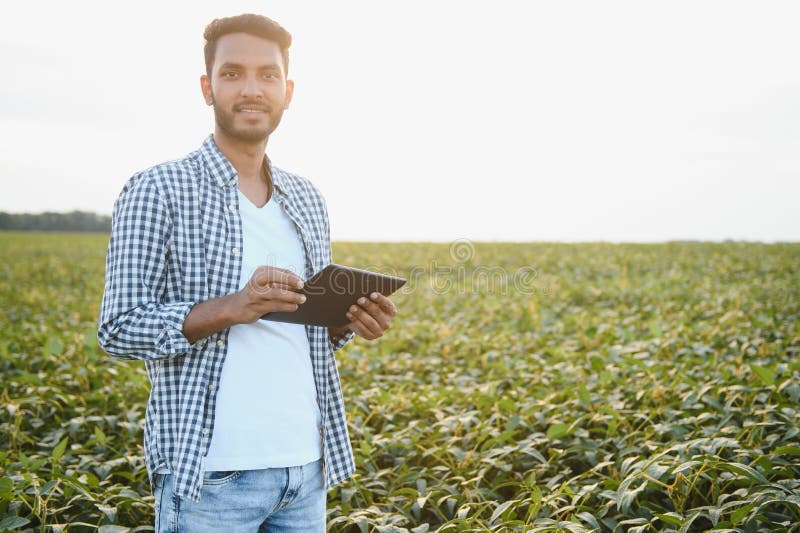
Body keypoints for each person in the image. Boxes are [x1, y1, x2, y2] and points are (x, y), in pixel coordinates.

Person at [97, 13, 397, 532]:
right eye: (232, 73)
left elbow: (305, 334)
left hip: (305, 471)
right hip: (209, 479)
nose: (252, 89)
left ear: (288, 90)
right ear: (206, 88)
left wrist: (346, 322)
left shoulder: (306, 197)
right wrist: (231, 307)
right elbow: (119, 327)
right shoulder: (158, 190)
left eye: (268, 75)